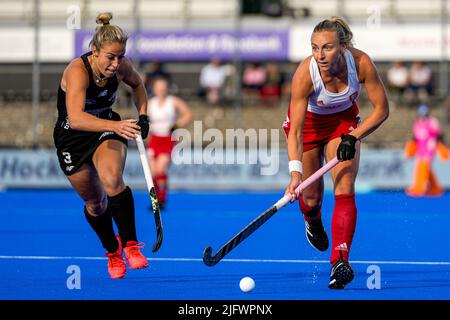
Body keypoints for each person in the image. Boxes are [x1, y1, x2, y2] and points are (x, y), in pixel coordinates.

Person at [282, 17, 389, 289]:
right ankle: (312, 219)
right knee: (311, 197)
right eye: (315, 48)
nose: (320, 55)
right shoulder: (305, 74)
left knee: (344, 184)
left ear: (343, 46)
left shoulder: (361, 63)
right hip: (307, 126)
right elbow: (294, 131)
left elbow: (381, 110)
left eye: (327, 47)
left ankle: (340, 260)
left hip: (343, 123)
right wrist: (295, 173)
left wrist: (353, 137)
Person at [53, 12, 150, 279]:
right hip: (72, 137)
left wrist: (143, 115)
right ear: (94, 51)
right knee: (95, 203)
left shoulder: (122, 66)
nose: (116, 63)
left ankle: (131, 246)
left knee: (111, 180)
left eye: (120, 57)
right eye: (110, 57)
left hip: (107, 128)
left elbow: (138, 85)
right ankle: (112, 251)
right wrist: (116, 126)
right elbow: (76, 118)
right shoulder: (77, 71)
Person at [147, 77, 193, 210]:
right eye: (159, 87)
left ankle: (162, 199)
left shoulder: (173, 101)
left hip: (168, 139)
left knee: (161, 169)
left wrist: (176, 125)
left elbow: (188, 114)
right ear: (154, 89)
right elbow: (143, 118)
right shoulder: (150, 103)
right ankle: (154, 201)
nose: (161, 90)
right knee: (153, 172)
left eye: (163, 87)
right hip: (154, 138)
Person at [404, 104, 449, 197]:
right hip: (420, 148)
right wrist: (412, 147)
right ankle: (435, 188)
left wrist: (441, 147)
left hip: (429, 148)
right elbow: (415, 137)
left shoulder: (432, 121)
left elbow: (438, 134)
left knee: (423, 167)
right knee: (423, 168)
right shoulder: (417, 123)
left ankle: (419, 188)